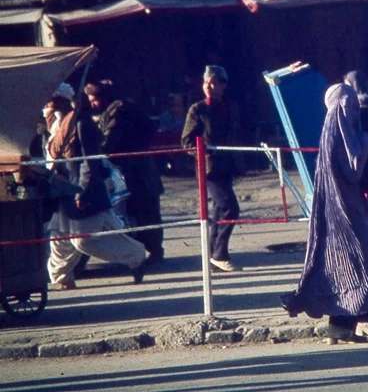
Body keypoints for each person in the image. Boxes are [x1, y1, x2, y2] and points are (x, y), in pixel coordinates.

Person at [280, 84, 368, 344]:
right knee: (367, 263)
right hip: (343, 214)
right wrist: (366, 141)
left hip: (342, 212)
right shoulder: (341, 134)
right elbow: (353, 168)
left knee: (346, 268)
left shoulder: (334, 131)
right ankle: (359, 321)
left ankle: (342, 327)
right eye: (349, 105)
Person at [45, 83, 147, 290]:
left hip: (82, 191)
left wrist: (82, 190)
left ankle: (135, 256)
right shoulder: (51, 123)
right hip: (61, 190)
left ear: (63, 99)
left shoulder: (81, 123)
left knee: (84, 241)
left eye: (53, 96)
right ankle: (62, 277)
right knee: (59, 236)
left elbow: (90, 161)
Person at [84, 80, 165, 266]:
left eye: (94, 100)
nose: (92, 104)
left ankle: (152, 253)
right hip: (136, 169)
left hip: (136, 171)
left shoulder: (117, 111)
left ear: (104, 97)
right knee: (142, 211)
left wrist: (96, 150)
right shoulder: (118, 108)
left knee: (144, 212)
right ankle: (148, 252)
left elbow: (109, 141)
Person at [181, 65, 243, 272]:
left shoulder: (232, 106)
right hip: (209, 168)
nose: (208, 86)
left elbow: (235, 133)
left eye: (213, 82)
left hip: (228, 165)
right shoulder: (197, 109)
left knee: (219, 210)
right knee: (230, 207)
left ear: (223, 85)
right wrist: (204, 151)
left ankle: (212, 256)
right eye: (206, 82)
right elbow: (186, 141)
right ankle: (219, 254)